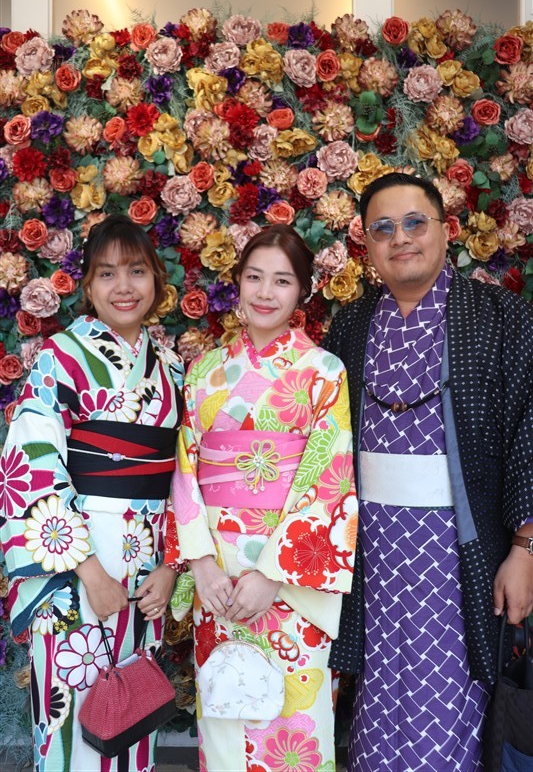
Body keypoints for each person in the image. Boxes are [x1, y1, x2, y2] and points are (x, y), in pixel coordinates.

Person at [323, 172, 533, 772]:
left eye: (416, 222)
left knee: (451, 703)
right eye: (383, 228)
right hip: (372, 549)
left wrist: (526, 549)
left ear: (447, 230)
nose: (401, 238)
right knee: (377, 701)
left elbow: (529, 431)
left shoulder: (501, 316)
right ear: (367, 244)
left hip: (460, 549)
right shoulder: (352, 324)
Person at [165, 225, 358, 772]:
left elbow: (329, 478)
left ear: (303, 292)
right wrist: (201, 565)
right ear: (238, 283)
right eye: (254, 277)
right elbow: (185, 471)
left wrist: (272, 575)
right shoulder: (204, 372)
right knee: (224, 713)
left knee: (294, 723)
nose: (266, 293)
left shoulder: (323, 372)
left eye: (282, 281)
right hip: (218, 579)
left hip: (288, 581)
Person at [0, 215, 184, 772]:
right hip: (76, 567)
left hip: (147, 568)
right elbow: (32, 462)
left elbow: (185, 477)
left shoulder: (172, 368)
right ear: (87, 286)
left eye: (136, 271)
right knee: (72, 715)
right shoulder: (58, 358)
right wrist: (89, 571)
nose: (123, 286)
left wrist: (171, 568)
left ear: (156, 280)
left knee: (133, 710)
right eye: (107, 273)